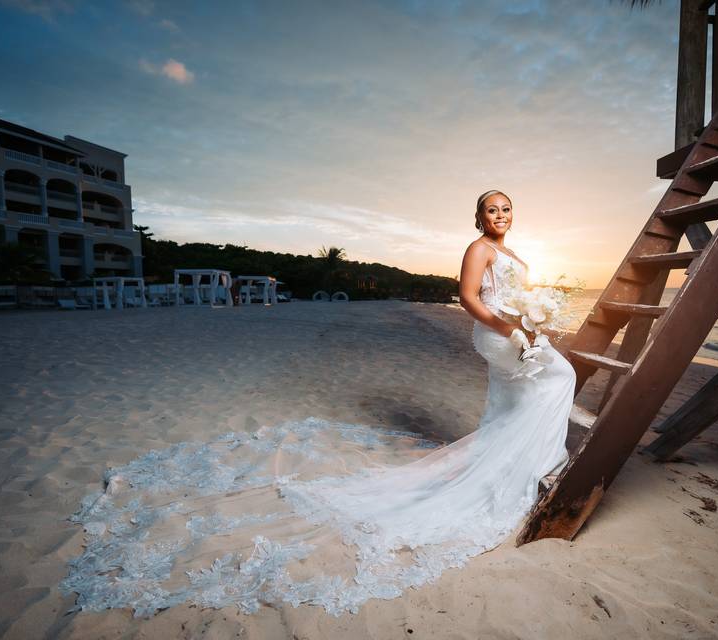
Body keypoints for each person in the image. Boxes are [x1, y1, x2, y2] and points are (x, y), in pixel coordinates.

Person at [60, 190, 577, 618]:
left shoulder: (515, 255)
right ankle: (534, 466)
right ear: (479, 217)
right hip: (499, 333)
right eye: (492, 209)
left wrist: (531, 318)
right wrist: (510, 328)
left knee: (524, 398)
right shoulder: (478, 248)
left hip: (517, 331)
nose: (500, 216)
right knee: (560, 378)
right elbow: (468, 298)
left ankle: (522, 466)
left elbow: (515, 295)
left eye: (506, 208)